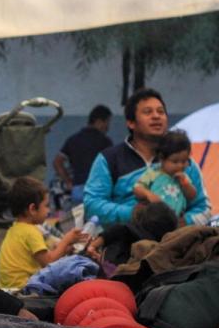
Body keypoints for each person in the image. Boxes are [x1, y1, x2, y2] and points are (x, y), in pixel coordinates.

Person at [84, 88, 211, 227]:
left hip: (175, 242)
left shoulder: (184, 162)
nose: (156, 116)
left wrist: (184, 222)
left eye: (161, 111)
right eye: (147, 112)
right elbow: (92, 205)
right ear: (131, 122)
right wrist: (132, 213)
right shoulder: (109, 159)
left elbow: (203, 208)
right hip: (125, 241)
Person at [0, 177, 84, 289]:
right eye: (46, 206)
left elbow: (43, 257)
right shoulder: (31, 232)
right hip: (23, 290)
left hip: (7, 287)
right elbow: (48, 262)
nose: (49, 210)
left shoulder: (15, 228)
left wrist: (64, 249)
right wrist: (66, 240)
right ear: (32, 209)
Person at [85, 201, 178, 268]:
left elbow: (112, 232)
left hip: (106, 264)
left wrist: (93, 247)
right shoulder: (158, 251)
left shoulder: (126, 229)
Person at [53, 105, 113, 203]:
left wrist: (68, 181)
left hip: (77, 190)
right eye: (107, 122)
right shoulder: (105, 142)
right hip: (98, 190)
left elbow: (57, 162)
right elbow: (112, 166)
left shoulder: (73, 140)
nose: (107, 127)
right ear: (99, 122)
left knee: (78, 218)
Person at [132, 130, 197, 217]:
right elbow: (137, 188)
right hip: (154, 217)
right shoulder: (153, 173)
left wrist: (186, 184)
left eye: (184, 161)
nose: (180, 165)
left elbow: (192, 196)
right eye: (175, 161)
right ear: (161, 158)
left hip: (175, 219)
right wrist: (148, 194)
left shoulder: (183, 177)